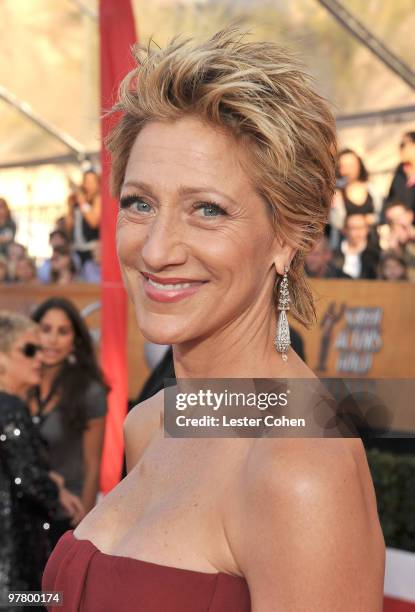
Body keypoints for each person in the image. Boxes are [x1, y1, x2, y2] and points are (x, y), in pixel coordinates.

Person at [43, 28, 385, 611]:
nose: (155, 251)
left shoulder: (301, 469)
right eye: (139, 203)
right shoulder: (150, 424)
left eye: (208, 210)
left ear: (288, 236)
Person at [0, 312, 83, 607]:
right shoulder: (9, 409)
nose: (40, 358)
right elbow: (29, 480)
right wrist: (55, 493)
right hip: (14, 566)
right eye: (28, 349)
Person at [29, 298, 109, 548]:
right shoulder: (19, 381)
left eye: (62, 332)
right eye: (46, 329)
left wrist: (83, 527)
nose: (52, 340)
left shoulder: (89, 391)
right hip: (22, 510)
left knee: (52, 589)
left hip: (66, 514)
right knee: (18, 588)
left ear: (74, 341)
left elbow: (92, 465)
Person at [64, 171, 101, 265]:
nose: (89, 185)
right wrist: (70, 207)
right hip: (76, 248)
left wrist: (81, 200)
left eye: (92, 182)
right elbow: (68, 225)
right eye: (87, 182)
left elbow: (93, 222)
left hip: (91, 249)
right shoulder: (77, 199)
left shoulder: (97, 198)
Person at [332, 213, 380, 279]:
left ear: (367, 229)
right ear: (345, 230)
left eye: (361, 227)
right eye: (354, 228)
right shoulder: (335, 254)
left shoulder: (374, 254)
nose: (358, 232)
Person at [382, 131, 415, 217]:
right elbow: (391, 201)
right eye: (400, 145)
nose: (401, 148)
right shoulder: (399, 174)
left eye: (404, 145)